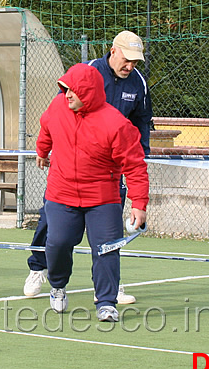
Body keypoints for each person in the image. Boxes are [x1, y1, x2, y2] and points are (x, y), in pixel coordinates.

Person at [23, 30, 152, 304]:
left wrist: (141, 153)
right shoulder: (89, 72)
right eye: (127, 59)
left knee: (108, 238)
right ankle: (39, 268)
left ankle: (108, 290)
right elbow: (50, 121)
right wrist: (43, 150)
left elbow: (141, 121)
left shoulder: (137, 83)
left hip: (107, 171)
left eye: (135, 61)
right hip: (67, 173)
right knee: (53, 230)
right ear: (113, 51)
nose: (130, 66)